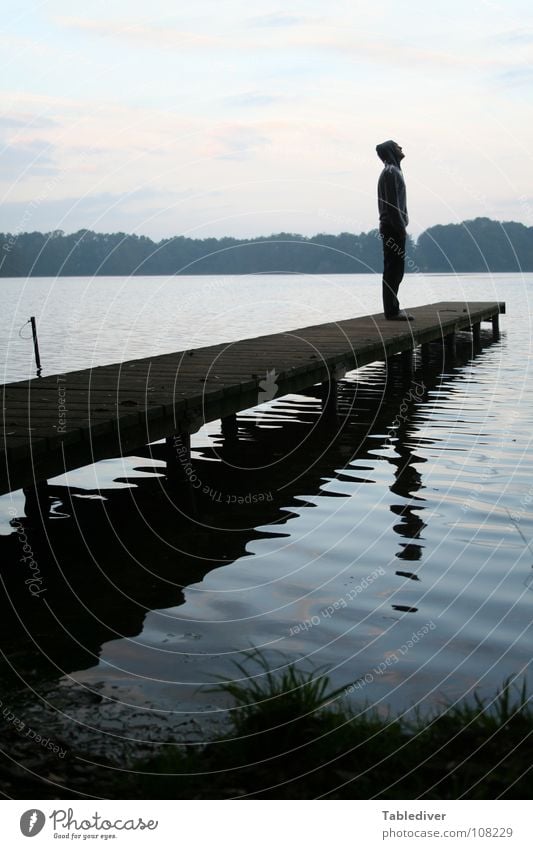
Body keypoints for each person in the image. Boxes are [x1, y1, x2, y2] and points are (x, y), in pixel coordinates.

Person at [376, 140, 413, 321]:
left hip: (393, 226)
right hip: (392, 228)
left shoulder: (393, 171)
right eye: (398, 146)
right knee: (393, 269)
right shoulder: (391, 173)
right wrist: (400, 228)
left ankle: (393, 308)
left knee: (396, 269)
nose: (401, 148)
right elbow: (392, 205)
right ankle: (391, 311)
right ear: (391, 151)